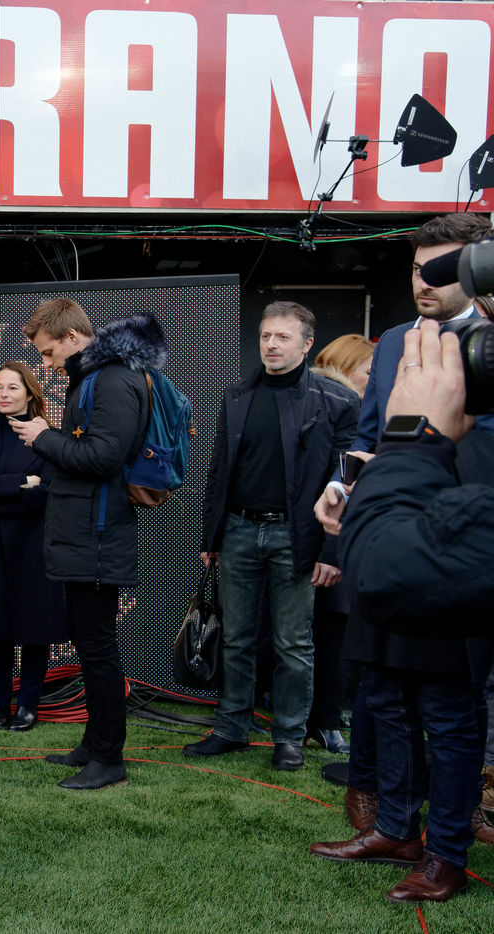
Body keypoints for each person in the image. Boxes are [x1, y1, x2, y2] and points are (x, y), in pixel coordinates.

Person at [312, 213, 494, 851]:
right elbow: (370, 435)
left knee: (451, 707)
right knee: (383, 695)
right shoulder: (391, 342)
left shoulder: (489, 340)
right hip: (392, 536)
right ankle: (394, 826)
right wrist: (342, 487)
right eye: (419, 269)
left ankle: (449, 843)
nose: (425, 282)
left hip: (462, 547)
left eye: (442, 270)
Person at [186, 302, 358, 771]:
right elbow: (219, 471)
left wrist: (331, 551)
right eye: (266, 336)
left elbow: (347, 484)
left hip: (297, 535)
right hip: (238, 530)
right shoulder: (237, 394)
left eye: (283, 337)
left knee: (293, 643)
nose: (272, 345)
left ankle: (289, 737)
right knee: (237, 638)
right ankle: (230, 728)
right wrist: (211, 537)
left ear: (306, 344)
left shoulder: (337, 401)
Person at [11, 299, 155, 790]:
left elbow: (103, 456)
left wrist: (43, 436)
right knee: (91, 644)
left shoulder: (112, 380)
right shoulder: (96, 377)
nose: (46, 364)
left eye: (48, 352)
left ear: (72, 338)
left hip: (97, 536)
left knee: (97, 648)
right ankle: (95, 745)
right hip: (86, 535)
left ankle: (108, 758)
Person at [0, 363, 65, 730]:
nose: (3, 394)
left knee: (36, 628)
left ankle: (28, 707)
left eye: (12, 387)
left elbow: (48, 491)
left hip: (35, 543)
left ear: (30, 393)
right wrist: (22, 481)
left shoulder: (49, 437)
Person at [306, 333, 375, 754]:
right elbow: (332, 487)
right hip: (326, 542)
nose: (376, 378)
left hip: (341, 544)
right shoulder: (341, 412)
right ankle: (325, 721)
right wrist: (329, 553)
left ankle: (327, 716)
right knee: (326, 635)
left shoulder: (359, 413)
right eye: (369, 370)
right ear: (347, 369)